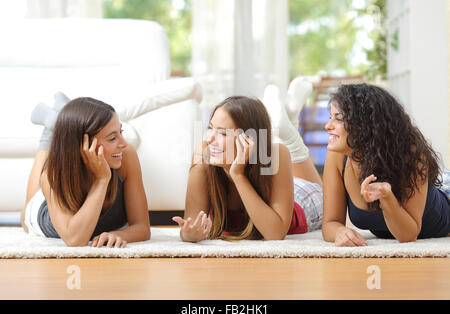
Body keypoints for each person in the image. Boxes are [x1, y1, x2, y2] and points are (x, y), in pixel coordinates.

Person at [172, 90, 323, 242]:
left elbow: (275, 234)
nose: (210, 138)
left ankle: (290, 134)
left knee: (319, 191)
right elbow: (190, 224)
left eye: (223, 133)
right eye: (210, 128)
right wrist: (188, 234)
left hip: (304, 200)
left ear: (249, 140)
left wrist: (238, 175)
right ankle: (290, 121)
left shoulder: (277, 154)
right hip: (279, 186)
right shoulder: (204, 154)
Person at [321, 83, 450, 246]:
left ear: (364, 124)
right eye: (330, 117)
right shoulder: (337, 157)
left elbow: (407, 236)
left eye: (338, 118)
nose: (328, 126)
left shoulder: (411, 156)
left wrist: (387, 198)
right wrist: (339, 231)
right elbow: (329, 224)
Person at [21, 95, 150, 247]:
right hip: (44, 214)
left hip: (72, 144)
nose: (123, 143)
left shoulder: (127, 156)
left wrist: (118, 234)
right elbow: (75, 240)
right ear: (84, 144)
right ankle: (49, 134)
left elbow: (142, 228)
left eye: (120, 132)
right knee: (27, 211)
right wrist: (101, 180)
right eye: (112, 138)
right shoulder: (52, 176)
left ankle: (58, 124)